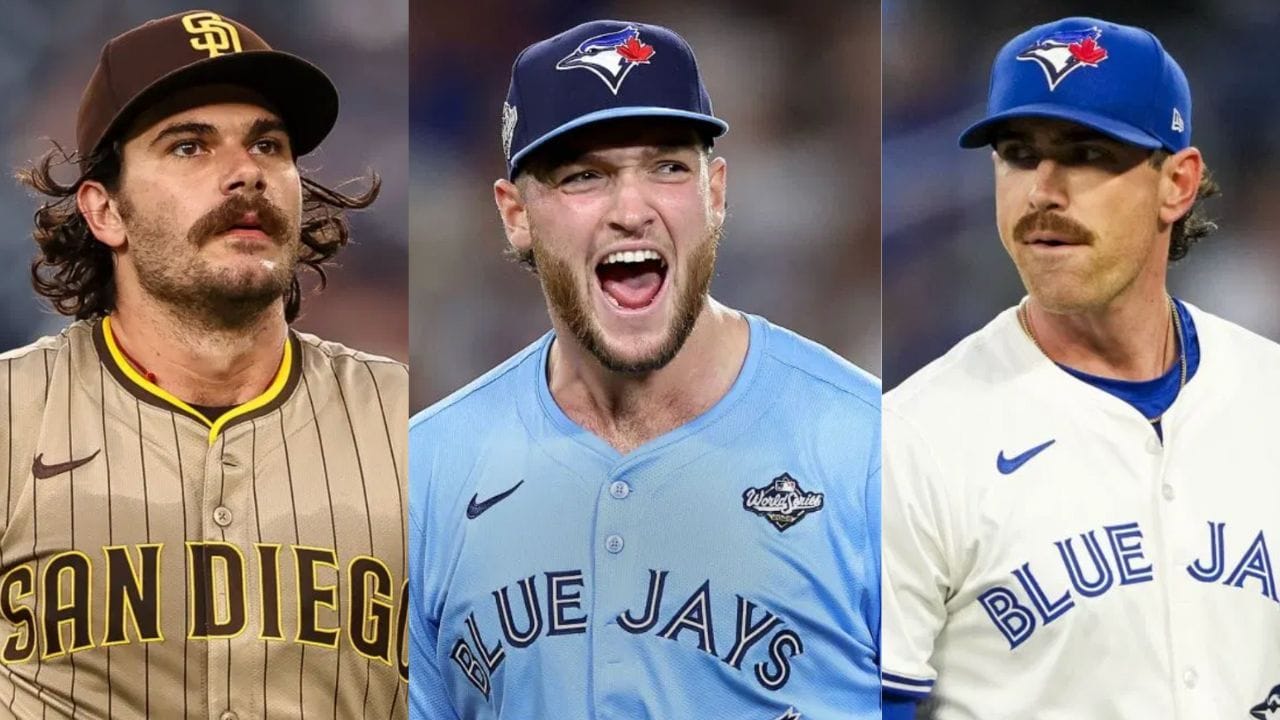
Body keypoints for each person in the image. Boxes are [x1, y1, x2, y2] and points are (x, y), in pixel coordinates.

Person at [409, 19, 881, 719]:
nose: (631, 210)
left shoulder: (870, 448)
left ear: (715, 191)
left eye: (666, 167)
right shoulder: (429, 470)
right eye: (584, 176)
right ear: (515, 216)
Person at [2, 10, 407, 718]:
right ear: (104, 211)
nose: (245, 172)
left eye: (269, 145)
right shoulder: (11, 419)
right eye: (189, 146)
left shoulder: (414, 426)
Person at [882, 16, 1280, 719]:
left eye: (1089, 152)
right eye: (1017, 152)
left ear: (1178, 184)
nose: (1043, 189)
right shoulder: (911, 442)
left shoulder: (1267, 395)